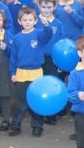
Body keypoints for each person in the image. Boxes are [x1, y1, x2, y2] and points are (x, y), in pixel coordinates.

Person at [8, 7, 53, 137]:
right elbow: (13, 57)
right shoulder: (17, 38)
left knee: (36, 101)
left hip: (36, 72)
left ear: (35, 21)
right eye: (24, 20)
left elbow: (48, 34)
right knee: (20, 102)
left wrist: (46, 26)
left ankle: (37, 125)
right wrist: (12, 73)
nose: (27, 22)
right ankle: (16, 125)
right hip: (21, 73)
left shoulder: (39, 34)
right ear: (19, 21)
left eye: (30, 20)